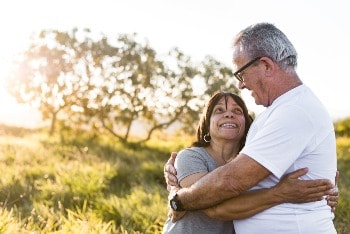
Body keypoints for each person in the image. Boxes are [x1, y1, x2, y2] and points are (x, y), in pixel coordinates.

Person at [164, 22, 338, 233]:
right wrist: (178, 183)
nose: (241, 85)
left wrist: (179, 198)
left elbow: (230, 181)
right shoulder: (278, 112)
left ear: (265, 65)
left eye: (241, 74)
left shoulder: (294, 111)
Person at [162, 91, 337, 234]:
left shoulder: (254, 163)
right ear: (207, 125)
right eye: (219, 110)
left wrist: (327, 191)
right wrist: (281, 193)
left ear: (247, 124)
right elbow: (208, 205)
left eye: (237, 111)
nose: (229, 114)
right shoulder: (191, 157)